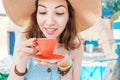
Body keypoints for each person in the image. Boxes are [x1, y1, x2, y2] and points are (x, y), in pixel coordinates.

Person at [2, 0, 101, 80]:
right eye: (42, 12)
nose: (49, 22)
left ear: (69, 17)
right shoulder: (24, 39)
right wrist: (21, 63)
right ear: (36, 14)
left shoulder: (76, 47)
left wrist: (65, 67)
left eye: (59, 13)